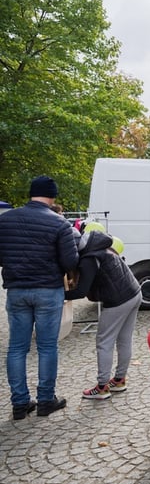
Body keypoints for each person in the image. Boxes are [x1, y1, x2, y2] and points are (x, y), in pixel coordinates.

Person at [0, 176, 79, 419]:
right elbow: (70, 261)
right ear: (52, 196)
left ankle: (20, 403)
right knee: (47, 347)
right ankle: (46, 400)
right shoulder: (59, 223)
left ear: (31, 193)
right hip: (47, 290)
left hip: (16, 290)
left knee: (16, 348)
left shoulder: (5, 220)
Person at [64, 230, 141, 399]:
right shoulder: (102, 246)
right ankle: (119, 380)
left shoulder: (88, 259)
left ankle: (102, 387)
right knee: (124, 339)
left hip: (118, 299)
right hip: (134, 292)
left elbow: (81, 291)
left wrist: (59, 295)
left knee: (104, 341)